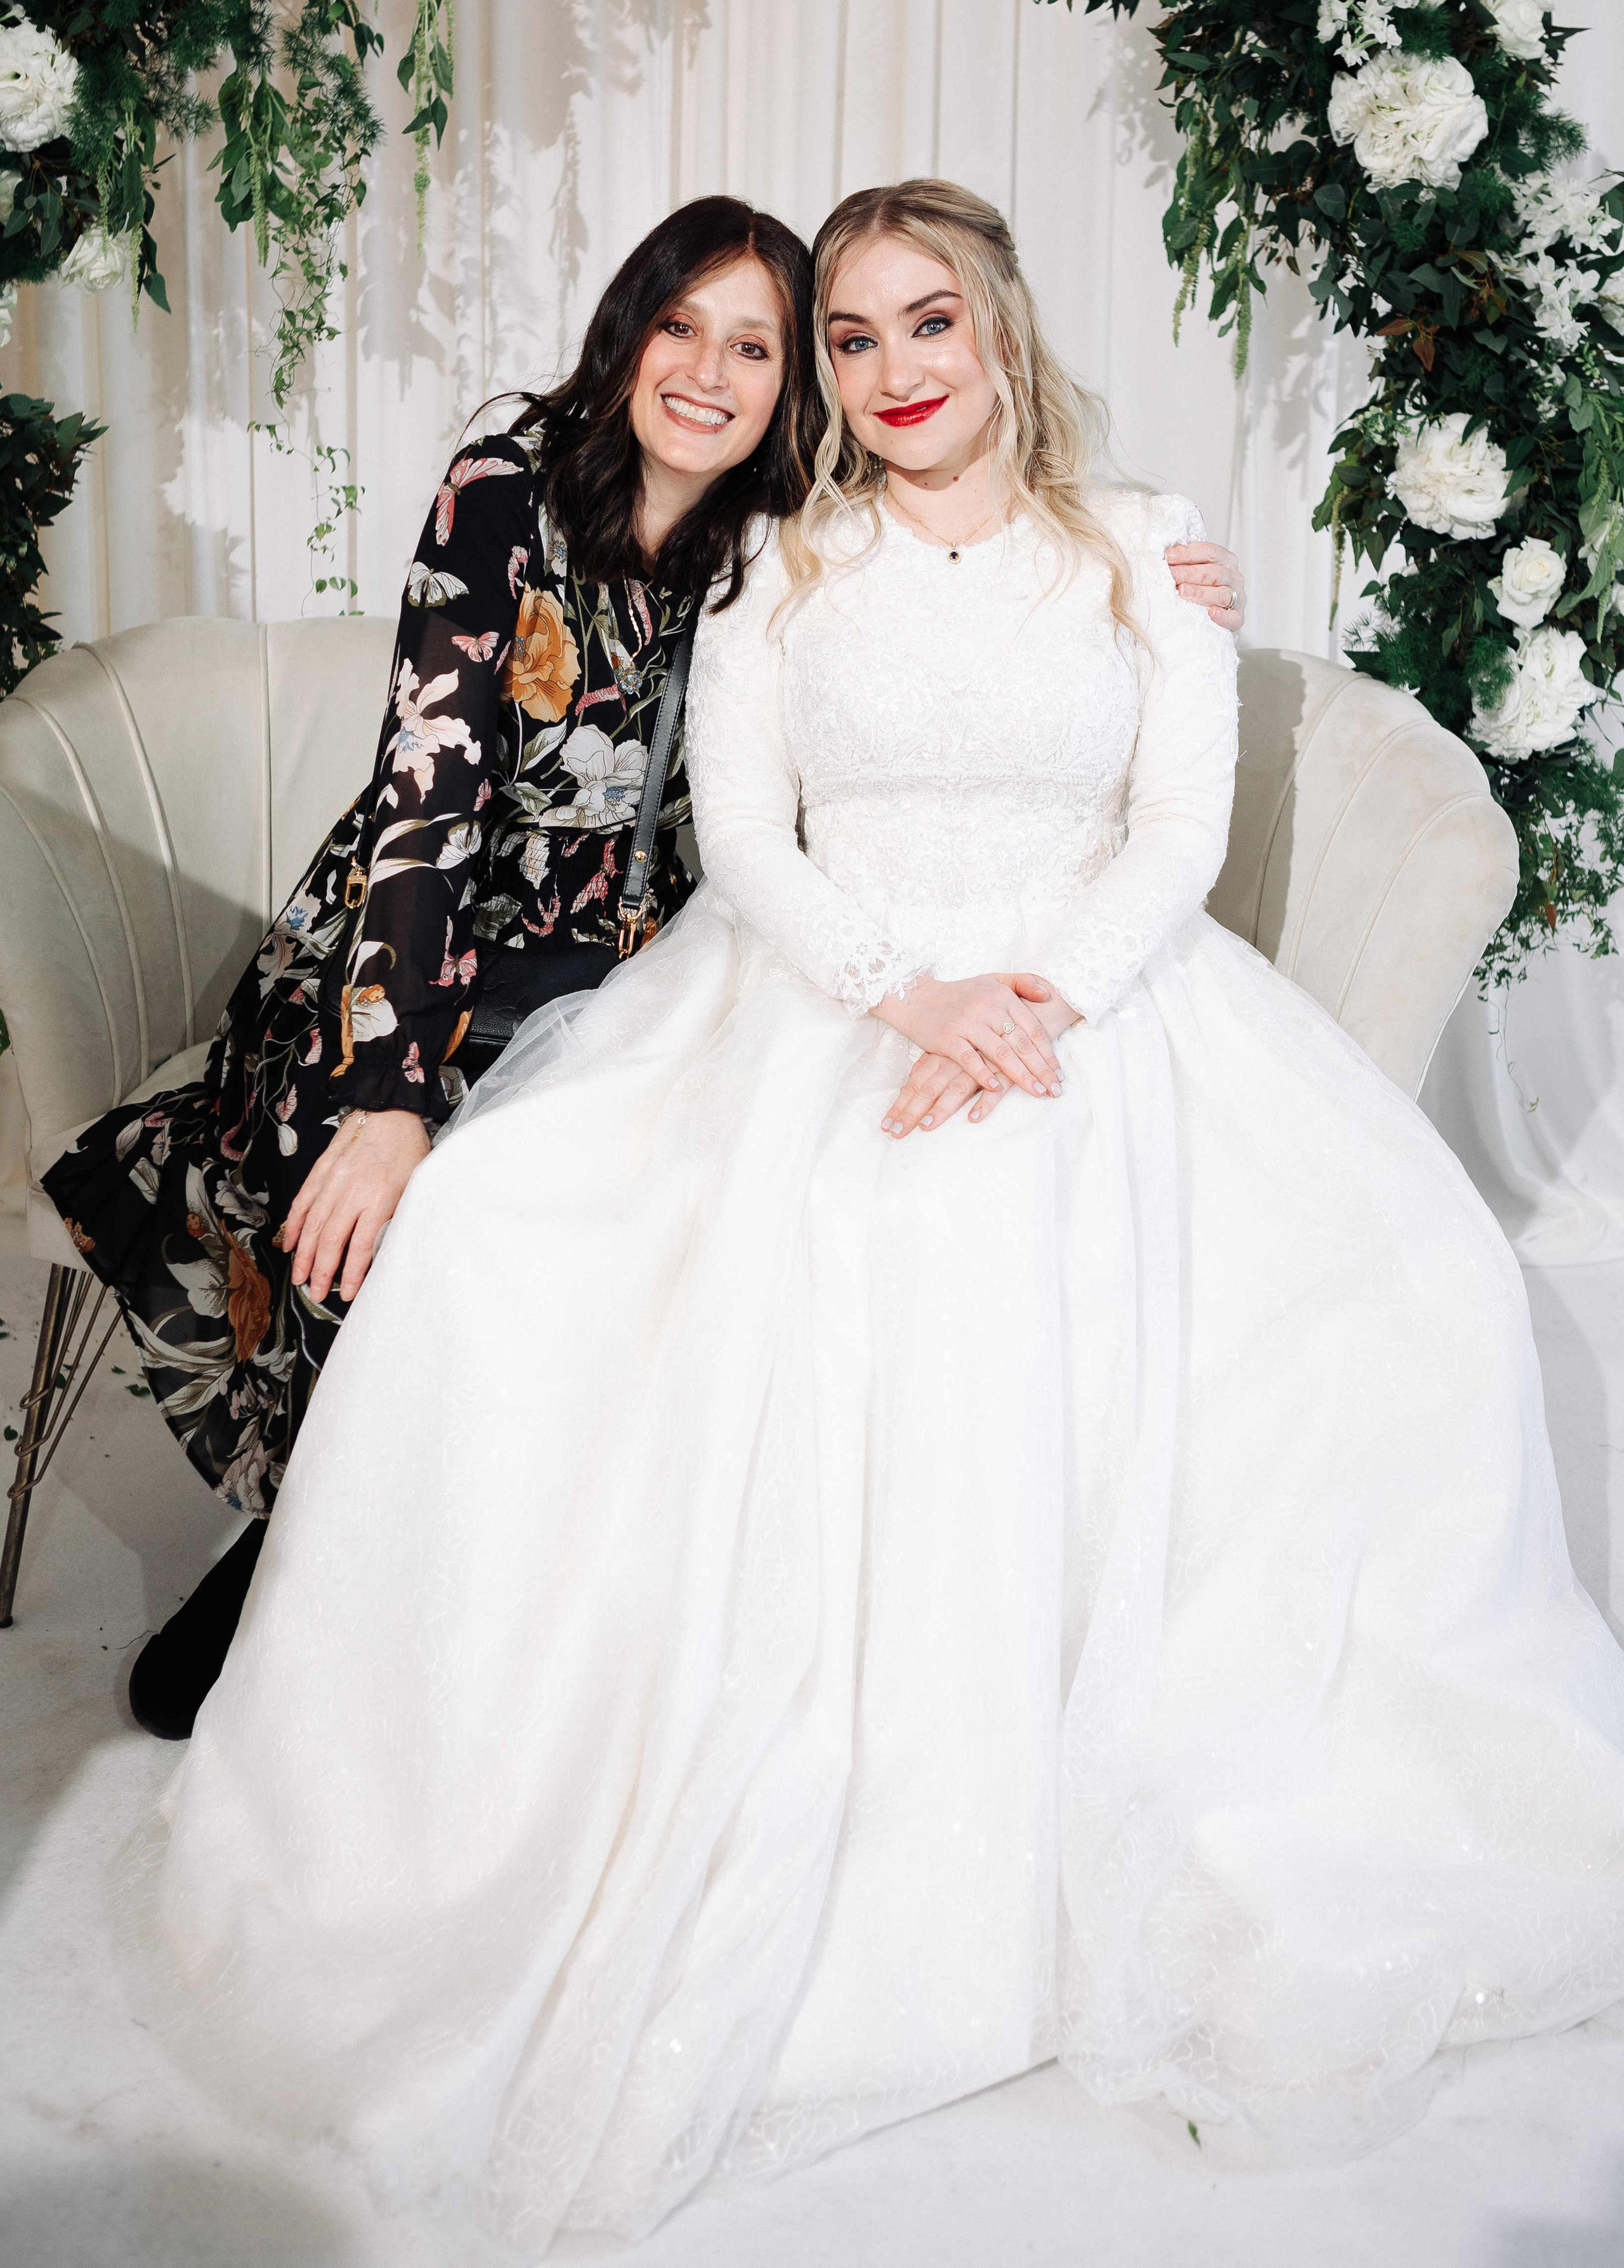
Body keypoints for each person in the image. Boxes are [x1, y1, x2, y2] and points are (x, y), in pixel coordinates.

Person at [126, 177, 1624, 2252]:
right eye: (848, 337)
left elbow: (1177, 826)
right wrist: (904, 993)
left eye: (926, 323)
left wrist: (1036, 1011)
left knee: (1392, 1283)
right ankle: (338, 1611)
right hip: (826, 988)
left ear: (1001, 331)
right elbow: (742, 833)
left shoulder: (1140, 548)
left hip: (1095, 999)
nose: (891, 370)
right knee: (519, 1237)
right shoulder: (786, 562)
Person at [44, 195, 1248, 1739]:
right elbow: (432, 795)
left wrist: (1183, 596)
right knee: (419, 1193)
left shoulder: (773, 535)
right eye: (680, 326)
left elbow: (1001, 644)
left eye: (756, 345)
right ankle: (305, 1529)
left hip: (631, 951)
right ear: (627, 335)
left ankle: (439, 1558)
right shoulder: (506, 494)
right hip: (437, 946)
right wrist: (389, 1092)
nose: (708, 371)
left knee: (642, 1217)